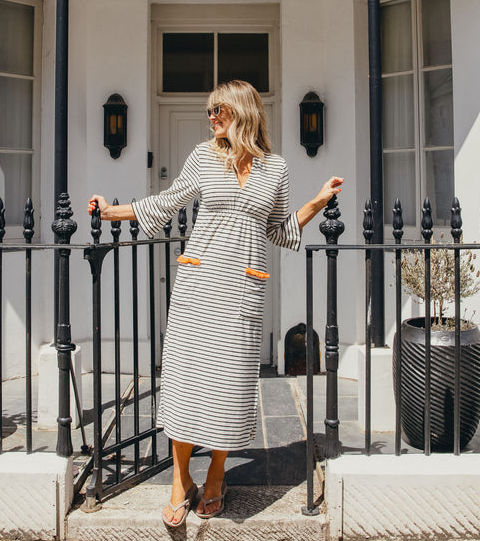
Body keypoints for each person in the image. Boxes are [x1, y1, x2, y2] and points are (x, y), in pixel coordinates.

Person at [88, 79, 343, 528]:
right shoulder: (204, 157)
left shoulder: (275, 168)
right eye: (208, 110)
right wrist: (111, 212)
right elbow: (167, 202)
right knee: (186, 379)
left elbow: (281, 229)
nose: (211, 117)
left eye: (218, 110)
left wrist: (318, 202)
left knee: (229, 384)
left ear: (241, 111)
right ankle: (179, 481)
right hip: (198, 284)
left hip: (242, 288)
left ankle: (216, 475)